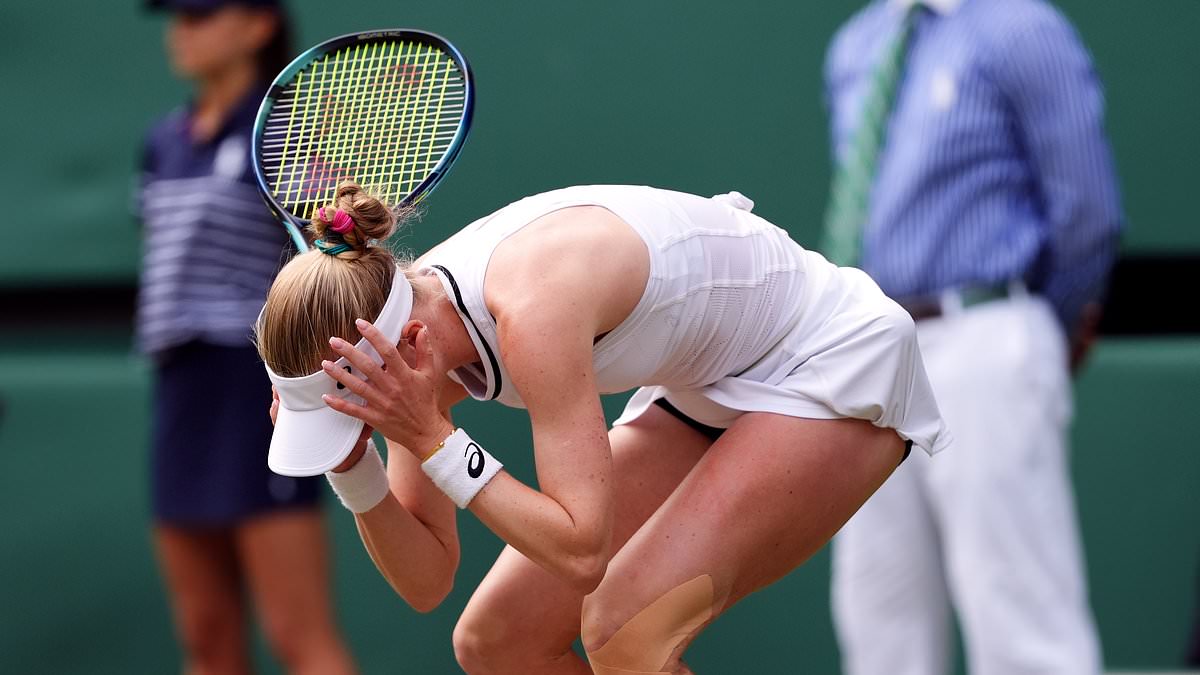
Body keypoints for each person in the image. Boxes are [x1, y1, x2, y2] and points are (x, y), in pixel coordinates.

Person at [255, 181, 951, 674]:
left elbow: (582, 551)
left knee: (624, 631)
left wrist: (436, 441)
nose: (359, 418)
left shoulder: (532, 311)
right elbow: (428, 581)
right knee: (500, 641)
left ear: (401, 343)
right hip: (707, 383)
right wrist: (353, 466)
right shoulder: (415, 334)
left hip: (828, 358)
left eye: (350, 402)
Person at [821, 1, 1122, 674]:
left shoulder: (1021, 28)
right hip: (870, 351)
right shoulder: (856, 46)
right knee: (879, 621)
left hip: (983, 331)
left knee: (1018, 614)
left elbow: (1086, 209)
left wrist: (1037, 326)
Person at [137, 1, 356, 673]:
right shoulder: (162, 141)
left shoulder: (283, 141)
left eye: (200, 12)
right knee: (205, 634)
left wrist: (342, 238)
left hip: (252, 385)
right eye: (175, 15)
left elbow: (340, 253)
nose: (182, 29)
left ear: (258, 24)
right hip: (179, 386)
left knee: (296, 632)